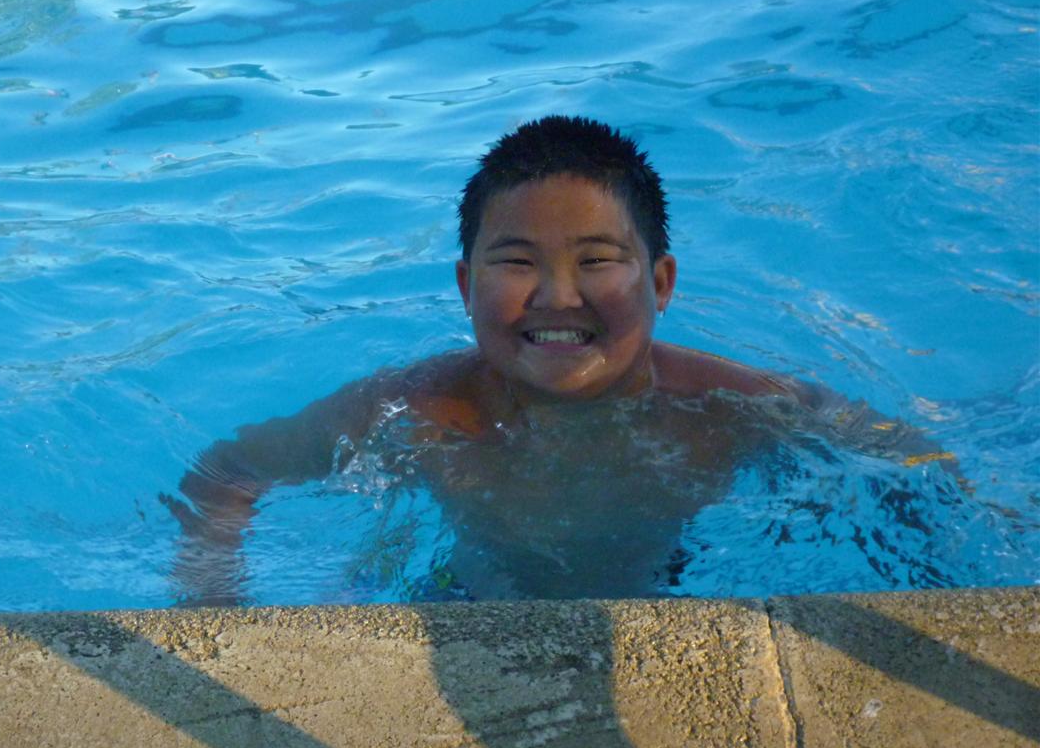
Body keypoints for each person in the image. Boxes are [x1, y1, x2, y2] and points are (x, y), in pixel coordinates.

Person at [165, 115, 954, 604]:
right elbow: (231, 469)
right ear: (466, 287)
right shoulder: (419, 410)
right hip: (459, 601)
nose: (557, 296)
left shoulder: (729, 409)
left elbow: (910, 461)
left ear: (661, 283)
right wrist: (213, 597)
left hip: (671, 597)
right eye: (517, 263)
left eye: (597, 260)